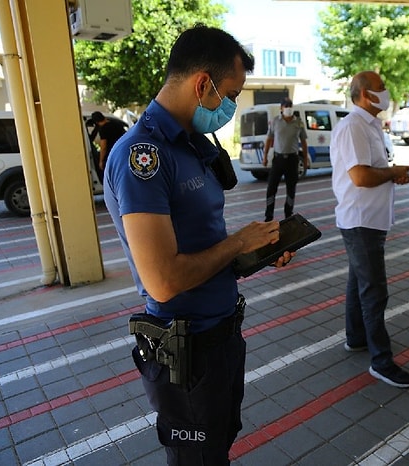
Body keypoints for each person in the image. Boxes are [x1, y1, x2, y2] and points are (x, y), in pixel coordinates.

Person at [104, 25, 293, 465]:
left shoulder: (190, 142)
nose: (231, 105)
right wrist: (236, 242)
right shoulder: (143, 156)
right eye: (230, 93)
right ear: (202, 83)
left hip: (221, 336)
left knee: (217, 448)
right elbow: (164, 280)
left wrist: (253, 252)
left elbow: (204, 241)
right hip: (187, 351)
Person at [330, 70, 409, 389]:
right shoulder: (354, 126)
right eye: (381, 88)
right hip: (361, 220)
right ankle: (381, 361)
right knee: (374, 291)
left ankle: (356, 338)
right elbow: (361, 177)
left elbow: (371, 171)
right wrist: (392, 172)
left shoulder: (369, 125)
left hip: (368, 219)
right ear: (365, 95)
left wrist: (392, 174)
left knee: (359, 282)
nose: (386, 93)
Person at [262, 97, 309, 221]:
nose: (288, 108)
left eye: (290, 105)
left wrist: (305, 159)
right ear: (281, 108)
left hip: (292, 160)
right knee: (271, 187)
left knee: (291, 188)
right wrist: (265, 156)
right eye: (286, 106)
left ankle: (288, 213)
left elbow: (303, 142)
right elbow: (269, 139)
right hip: (278, 160)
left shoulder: (298, 122)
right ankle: (269, 215)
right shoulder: (275, 121)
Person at [90, 111, 127, 180]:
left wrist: (101, 161)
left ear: (96, 122)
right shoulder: (117, 124)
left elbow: (103, 147)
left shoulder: (103, 129)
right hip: (123, 152)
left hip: (112, 156)